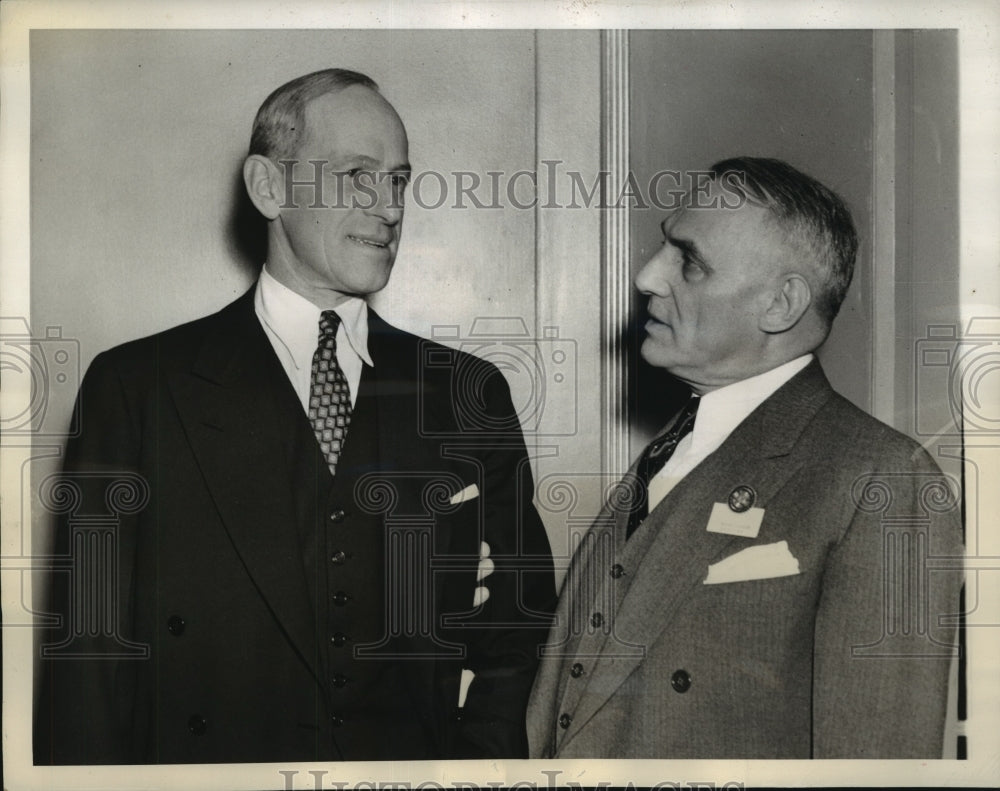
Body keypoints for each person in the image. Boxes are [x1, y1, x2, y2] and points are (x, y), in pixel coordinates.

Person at [34, 68, 555, 765]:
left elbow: (517, 630)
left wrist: (472, 769)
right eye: (356, 175)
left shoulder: (467, 391)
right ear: (268, 186)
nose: (389, 207)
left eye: (397, 181)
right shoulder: (136, 388)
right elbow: (89, 662)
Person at [526, 157, 963, 759]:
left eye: (690, 261)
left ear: (781, 305)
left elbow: (876, 763)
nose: (648, 277)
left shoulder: (882, 479)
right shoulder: (672, 450)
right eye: (663, 250)